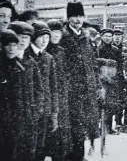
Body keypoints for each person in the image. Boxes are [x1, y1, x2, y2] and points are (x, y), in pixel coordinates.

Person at [60, 0, 100, 161]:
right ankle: (72, 156)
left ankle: (79, 155)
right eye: (74, 16)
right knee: (72, 127)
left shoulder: (86, 37)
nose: (77, 20)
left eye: (80, 16)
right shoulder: (63, 37)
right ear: (68, 18)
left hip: (87, 90)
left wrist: (97, 85)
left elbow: (92, 63)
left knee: (84, 125)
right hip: (71, 91)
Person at [0, 28, 43, 161]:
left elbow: (38, 89)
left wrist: (35, 110)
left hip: (25, 118)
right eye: (8, 45)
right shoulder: (3, 66)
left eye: (14, 45)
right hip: (6, 120)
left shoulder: (23, 65)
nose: (12, 48)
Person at [28, 21, 59, 161]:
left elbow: (53, 87)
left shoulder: (49, 58)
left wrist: (54, 113)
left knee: (41, 148)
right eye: (41, 37)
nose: (45, 40)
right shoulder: (26, 56)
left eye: (47, 37)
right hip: (29, 111)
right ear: (34, 37)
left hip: (44, 112)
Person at [46, 19, 72, 161]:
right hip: (49, 97)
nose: (56, 35)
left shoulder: (62, 51)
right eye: (53, 32)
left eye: (58, 32)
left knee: (62, 135)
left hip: (62, 96)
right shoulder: (44, 50)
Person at [99, 28, 124, 134]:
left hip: (113, 81)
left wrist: (120, 79)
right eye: (106, 36)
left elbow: (120, 65)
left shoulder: (115, 50)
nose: (108, 38)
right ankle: (99, 127)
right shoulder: (98, 49)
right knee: (100, 103)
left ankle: (108, 127)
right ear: (101, 36)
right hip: (101, 80)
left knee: (111, 104)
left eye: (110, 36)